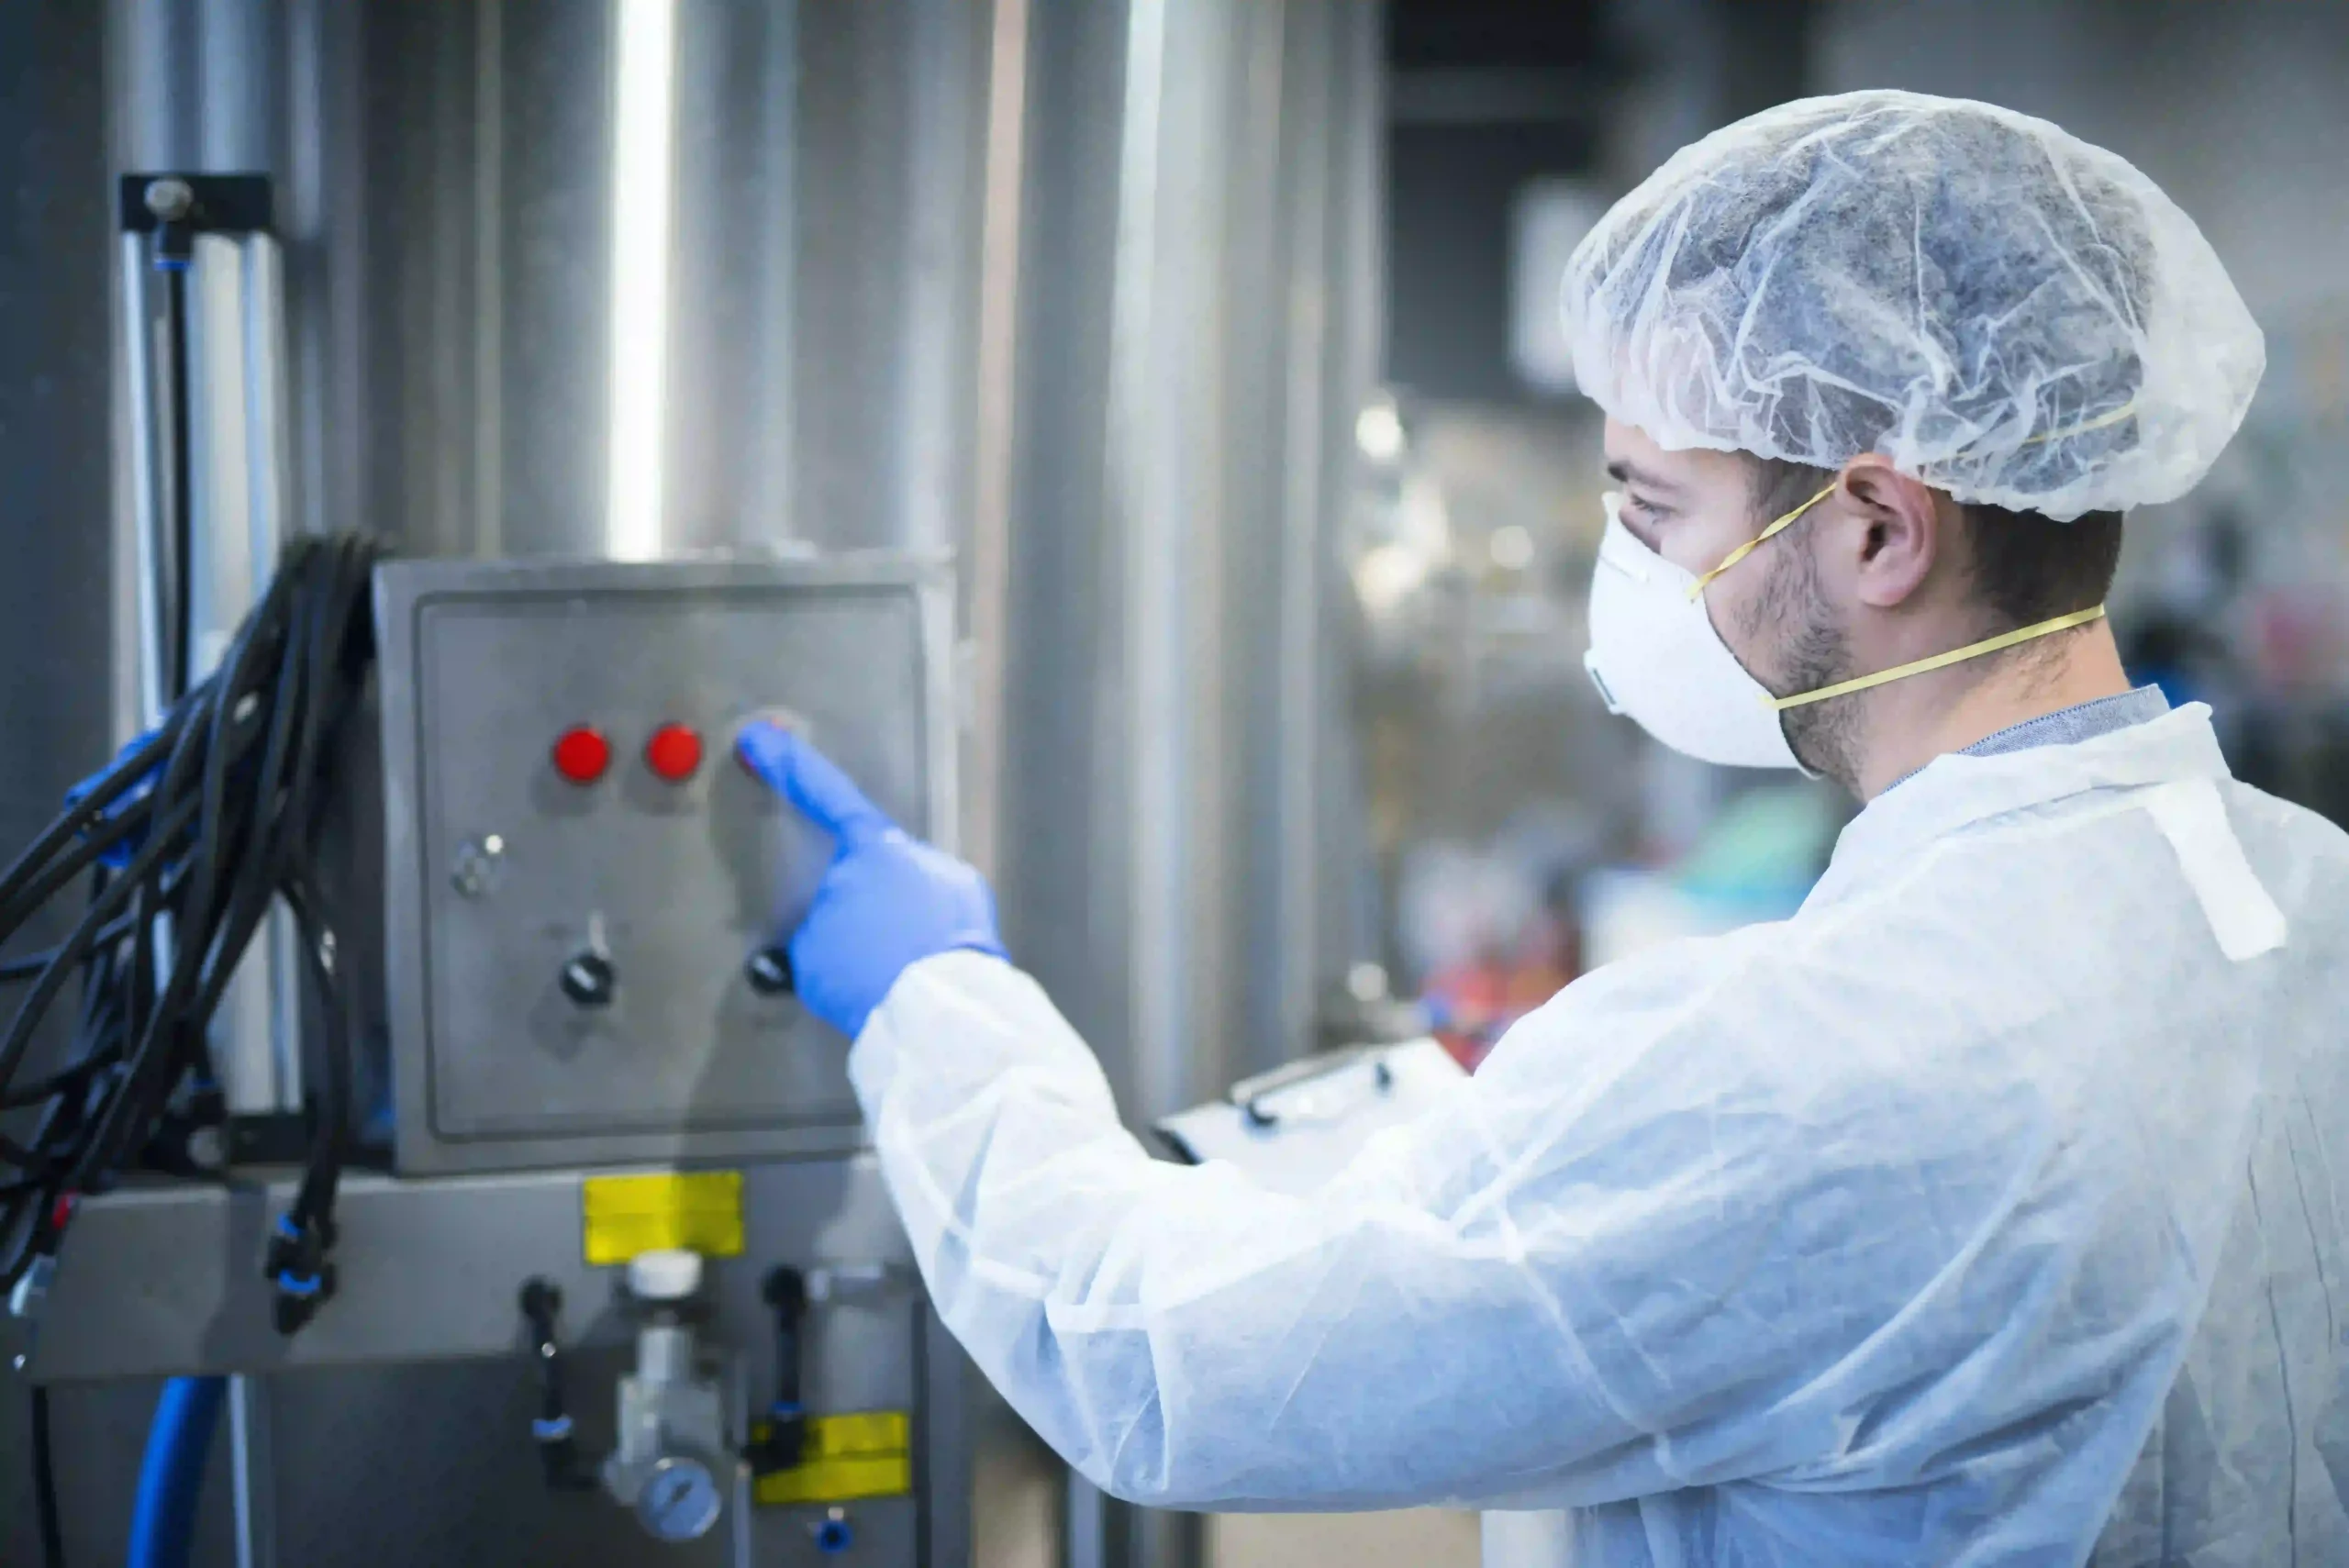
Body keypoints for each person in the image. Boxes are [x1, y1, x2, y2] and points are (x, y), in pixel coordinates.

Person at [738, 91, 2348, 1566]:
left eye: (1654, 511)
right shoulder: (2311, 900)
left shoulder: (1796, 1068)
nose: (1624, 571)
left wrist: (931, 1003)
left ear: (1875, 529)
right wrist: (1560, 1137)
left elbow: (1157, 1357)